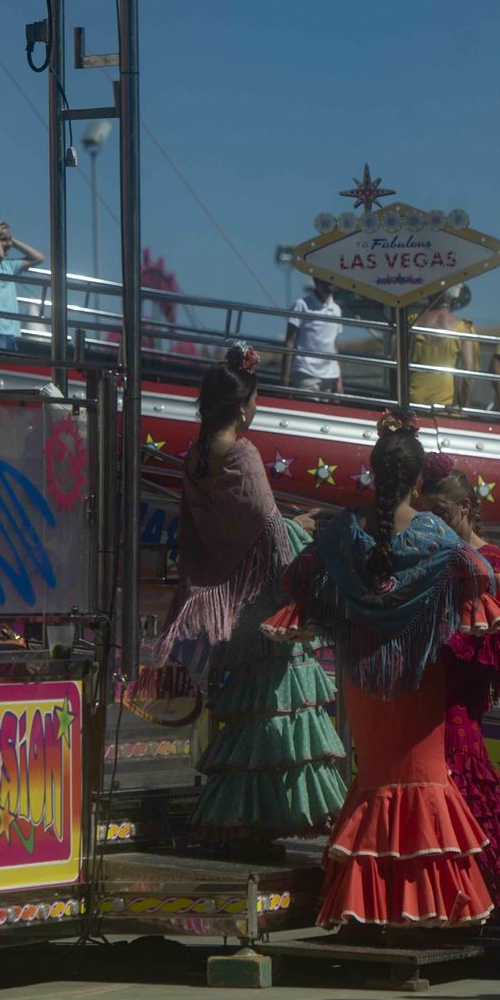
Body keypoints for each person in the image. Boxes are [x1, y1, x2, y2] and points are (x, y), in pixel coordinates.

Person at [262, 413, 500, 929]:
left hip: (363, 677)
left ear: (374, 474)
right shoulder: (433, 534)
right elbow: (480, 574)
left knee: (374, 777)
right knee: (424, 779)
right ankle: (424, 907)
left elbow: (301, 575)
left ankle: (370, 907)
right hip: (419, 677)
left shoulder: (342, 533)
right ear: (418, 481)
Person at [146, 344, 345, 839]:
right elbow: (267, 526)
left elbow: (227, 526)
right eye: (255, 400)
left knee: (249, 708)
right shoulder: (242, 451)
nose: (257, 409)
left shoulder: (195, 456)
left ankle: (243, 815)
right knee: (283, 703)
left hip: (226, 597)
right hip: (266, 595)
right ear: (241, 406)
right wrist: (300, 528)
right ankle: (287, 809)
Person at [419, 454, 500, 924]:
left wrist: (447, 635)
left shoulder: (489, 559)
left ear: (463, 507)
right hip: (427, 692)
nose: (433, 522)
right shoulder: (433, 552)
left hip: (459, 696)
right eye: (427, 513)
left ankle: (486, 894)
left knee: (465, 783)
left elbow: (498, 647)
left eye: (440, 513)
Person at [0, 220, 44, 352]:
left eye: (9, 239)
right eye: (3, 240)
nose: (8, 244)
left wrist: (12, 241)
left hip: (10, 331)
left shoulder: (9, 265)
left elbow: (38, 258)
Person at [407, 283, 477, 409]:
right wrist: (465, 407)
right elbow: (469, 374)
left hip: (414, 399)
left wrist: (396, 398)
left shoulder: (413, 322)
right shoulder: (463, 330)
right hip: (445, 403)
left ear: (430, 295)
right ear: (454, 300)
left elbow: (395, 363)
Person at [282, 277, 345, 395]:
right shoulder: (301, 305)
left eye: (332, 281)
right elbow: (290, 341)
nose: (329, 285)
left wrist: (339, 381)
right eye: (325, 281)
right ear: (316, 281)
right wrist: (285, 377)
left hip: (329, 375)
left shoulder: (336, 310)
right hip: (305, 371)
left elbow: (334, 347)